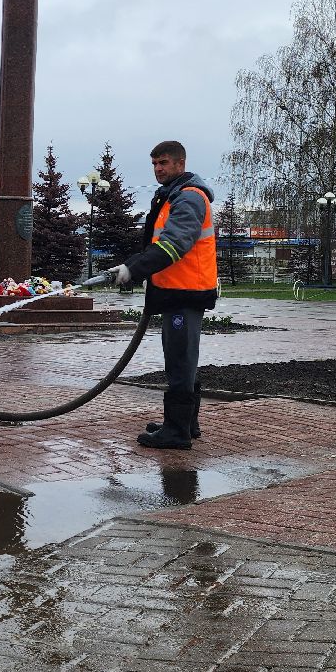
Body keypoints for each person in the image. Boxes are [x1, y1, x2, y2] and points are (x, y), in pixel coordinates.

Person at [108, 141, 216, 450]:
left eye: (164, 163)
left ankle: (177, 432)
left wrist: (134, 270)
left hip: (185, 292)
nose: (158, 169)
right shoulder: (173, 195)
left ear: (181, 164)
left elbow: (174, 244)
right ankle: (186, 423)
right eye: (154, 163)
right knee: (181, 359)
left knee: (180, 361)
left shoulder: (189, 198)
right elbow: (157, 244)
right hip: (175, 290)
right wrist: (134, 267)